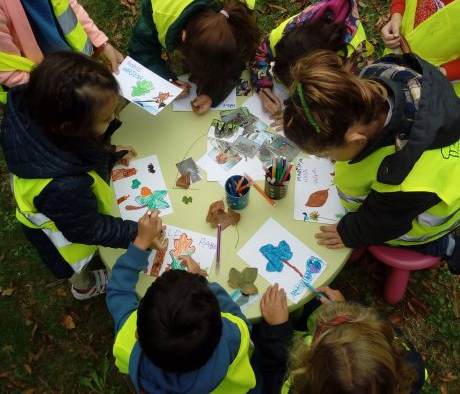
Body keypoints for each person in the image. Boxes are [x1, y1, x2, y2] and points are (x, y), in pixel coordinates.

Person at [283, 49, 460, 274]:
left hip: (417, 219)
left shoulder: (406, 182)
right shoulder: (370, 89)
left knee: (415, 234)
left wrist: (350, 233)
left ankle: (446, 246)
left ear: (356, 140)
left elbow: (382, 222)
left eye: (326, 152)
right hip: (403, 200)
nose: (326, 159)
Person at [1, 52, 139, 299]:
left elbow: (81, 151)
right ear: (71, 128)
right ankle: (84, 287)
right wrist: (135, 233)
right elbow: (86, 230)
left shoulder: (40, 118)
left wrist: (108, 152)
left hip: (62, 208)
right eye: (107, 119)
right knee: (77, 268)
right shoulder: (64, 187)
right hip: (58, 237)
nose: (115, 119)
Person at [107, 210, 257, 394]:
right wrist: (203, 283)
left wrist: (141, 242)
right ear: (218, 325)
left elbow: (118, 290)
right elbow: (240, 320)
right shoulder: (230, 338)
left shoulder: (127, 341)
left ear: (138, 333)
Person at [129, 0, 259, 114]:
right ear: (182, 36)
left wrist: (211, 93)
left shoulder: (240, 14)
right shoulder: (157, 4)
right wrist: (166, 81)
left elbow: (235, 60)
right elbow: (141, 50)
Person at [0, 0, 123, 100]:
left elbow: (64, 1)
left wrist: (100, 42)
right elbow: (7, 70)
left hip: (74, 70)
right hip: (45, 97)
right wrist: (62, 92)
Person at [256, 284, 426, 394]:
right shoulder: (412, 368)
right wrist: (346, 308)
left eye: (322, 332)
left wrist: (277, 332)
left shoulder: (295, 386)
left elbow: (275, 377)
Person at [250, 0, 373, 128]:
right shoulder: (288, 30)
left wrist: (303, 116)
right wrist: (262, 87)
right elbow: (261, 53)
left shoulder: (353, 58)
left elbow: (347, 100)